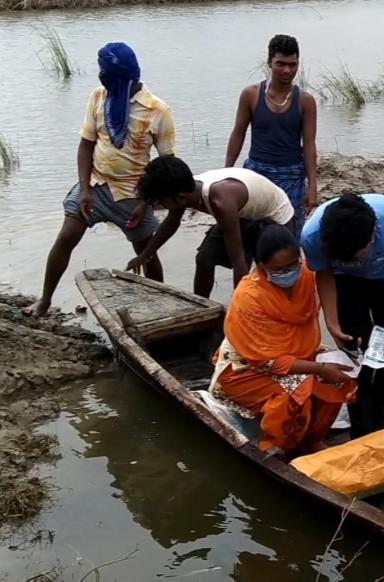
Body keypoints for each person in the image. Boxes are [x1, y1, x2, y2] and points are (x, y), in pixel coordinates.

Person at [23, 42, 174, 317]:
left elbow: (166, 166)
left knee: (147, 253)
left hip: (134, 194)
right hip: (95, 186)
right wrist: (83, 190)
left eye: (106, 73)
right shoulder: (99, 97)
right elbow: (86, 145)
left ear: (126, 75)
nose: (102, 78)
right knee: (66, 237)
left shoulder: (157, 111)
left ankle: (160, 311)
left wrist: (146, 202)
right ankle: (44, 301)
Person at [207, 220, 357, 455]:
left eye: (291, 265)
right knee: (295, 394)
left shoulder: (307, 273)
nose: (287, 273)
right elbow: (264, 361)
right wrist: (320, 368)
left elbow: (328, 276)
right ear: (261, 266)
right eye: (278, 270)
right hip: (247, 370)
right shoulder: (249, 297)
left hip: (298, 356)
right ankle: (277, 447)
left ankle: (312, 438)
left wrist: (334, 328)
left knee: (340, 379)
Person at [301, 194, 384, 438]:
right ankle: (360, 432)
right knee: (354, 357)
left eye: (356, 257)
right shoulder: (312, 235)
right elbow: (324, 273)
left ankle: (379, 425)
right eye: (344, 259)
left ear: (372, 236)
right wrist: (332, 321)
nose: (352, 262)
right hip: (343, 282)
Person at [127, 155, 296, 298]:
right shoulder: (187, 190)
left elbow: (238, 261)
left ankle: (255, 308)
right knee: (204, 259)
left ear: (179, 198)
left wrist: (240, 305)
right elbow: (171, 223)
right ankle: (201, 306)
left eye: (163, 202)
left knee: (270, 271)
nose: (163, 206)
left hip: (274, 218)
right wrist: (144, 256)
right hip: (244, 214)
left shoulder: (220, 201)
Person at [224, 34, 318, 239]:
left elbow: (309, 146)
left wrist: (312, 188)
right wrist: (227, 173)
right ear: (269, 62)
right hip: (257, 172)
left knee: (289, 235)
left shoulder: (305, 101)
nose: (287, 70)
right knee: (253, 232)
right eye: (280, 64)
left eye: (292, 65)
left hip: (291, 176)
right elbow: (238, 134)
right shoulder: (251, 94)